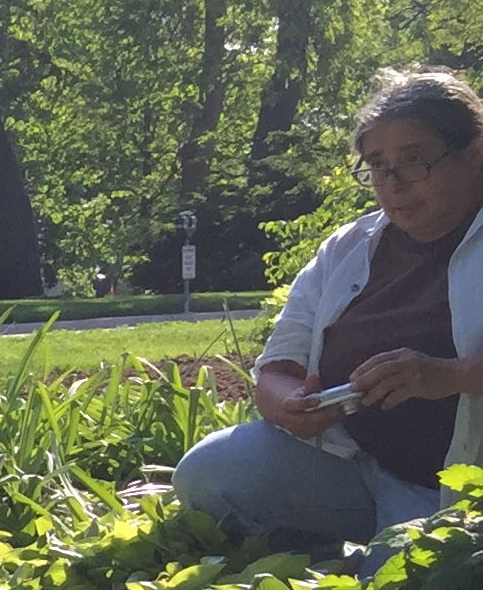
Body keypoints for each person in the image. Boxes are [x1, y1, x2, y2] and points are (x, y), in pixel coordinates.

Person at [173, 69, 483, 546]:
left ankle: (369, 553)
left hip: (454, 488)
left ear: (474, 154)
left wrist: (449, 376)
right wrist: (290, 405)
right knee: (208, 474)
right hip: (353, 464)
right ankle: (343, 548)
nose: (393, 183)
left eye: (414, 160)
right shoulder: (349, 247)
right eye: (377, 164)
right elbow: (277, 367)